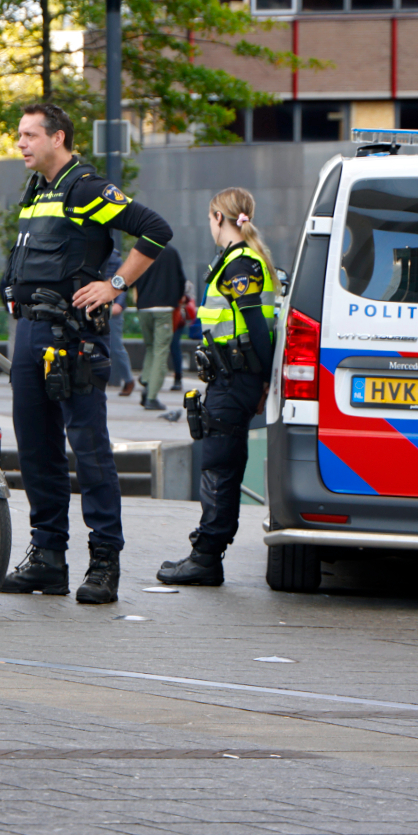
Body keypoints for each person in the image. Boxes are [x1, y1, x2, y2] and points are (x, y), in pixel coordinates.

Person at [0, 103, 174, 604]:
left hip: (73, 337)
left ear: (58, 138)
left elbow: (155, 230)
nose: (21, 143)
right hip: (31, 334)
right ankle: (48, 560)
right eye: (20, 134)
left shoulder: (85, 188)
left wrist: (114, 284)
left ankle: (104, 564)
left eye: (30, 134)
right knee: (37, 452)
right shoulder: (36, 189)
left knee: (90, 451)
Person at [158, 188, 278, 587]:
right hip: (232, 378)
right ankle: (208, 553)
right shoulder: (238, 260)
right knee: (221, 462)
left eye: (211, 219)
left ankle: (206, 556)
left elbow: (257, 330)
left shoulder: (240, 263)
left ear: (217, 216)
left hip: (236, 379)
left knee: (219, 467)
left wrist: (263, 380)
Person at [131, 243, 186, 411]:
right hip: (164, 308)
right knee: (161, 350)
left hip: (144, 308)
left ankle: (147, 380)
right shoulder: (171, 252)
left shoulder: (142, 250)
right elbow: (180, 279)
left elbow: (133, 276)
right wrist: (175, 300)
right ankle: (151, 397)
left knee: (150, 347)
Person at [101, 244, 136, 397]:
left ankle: (128, 379)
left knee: (115, 346)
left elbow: (122, 281)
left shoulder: (113, 257)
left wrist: (119, 304)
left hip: (111, 306)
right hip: (98, 303)